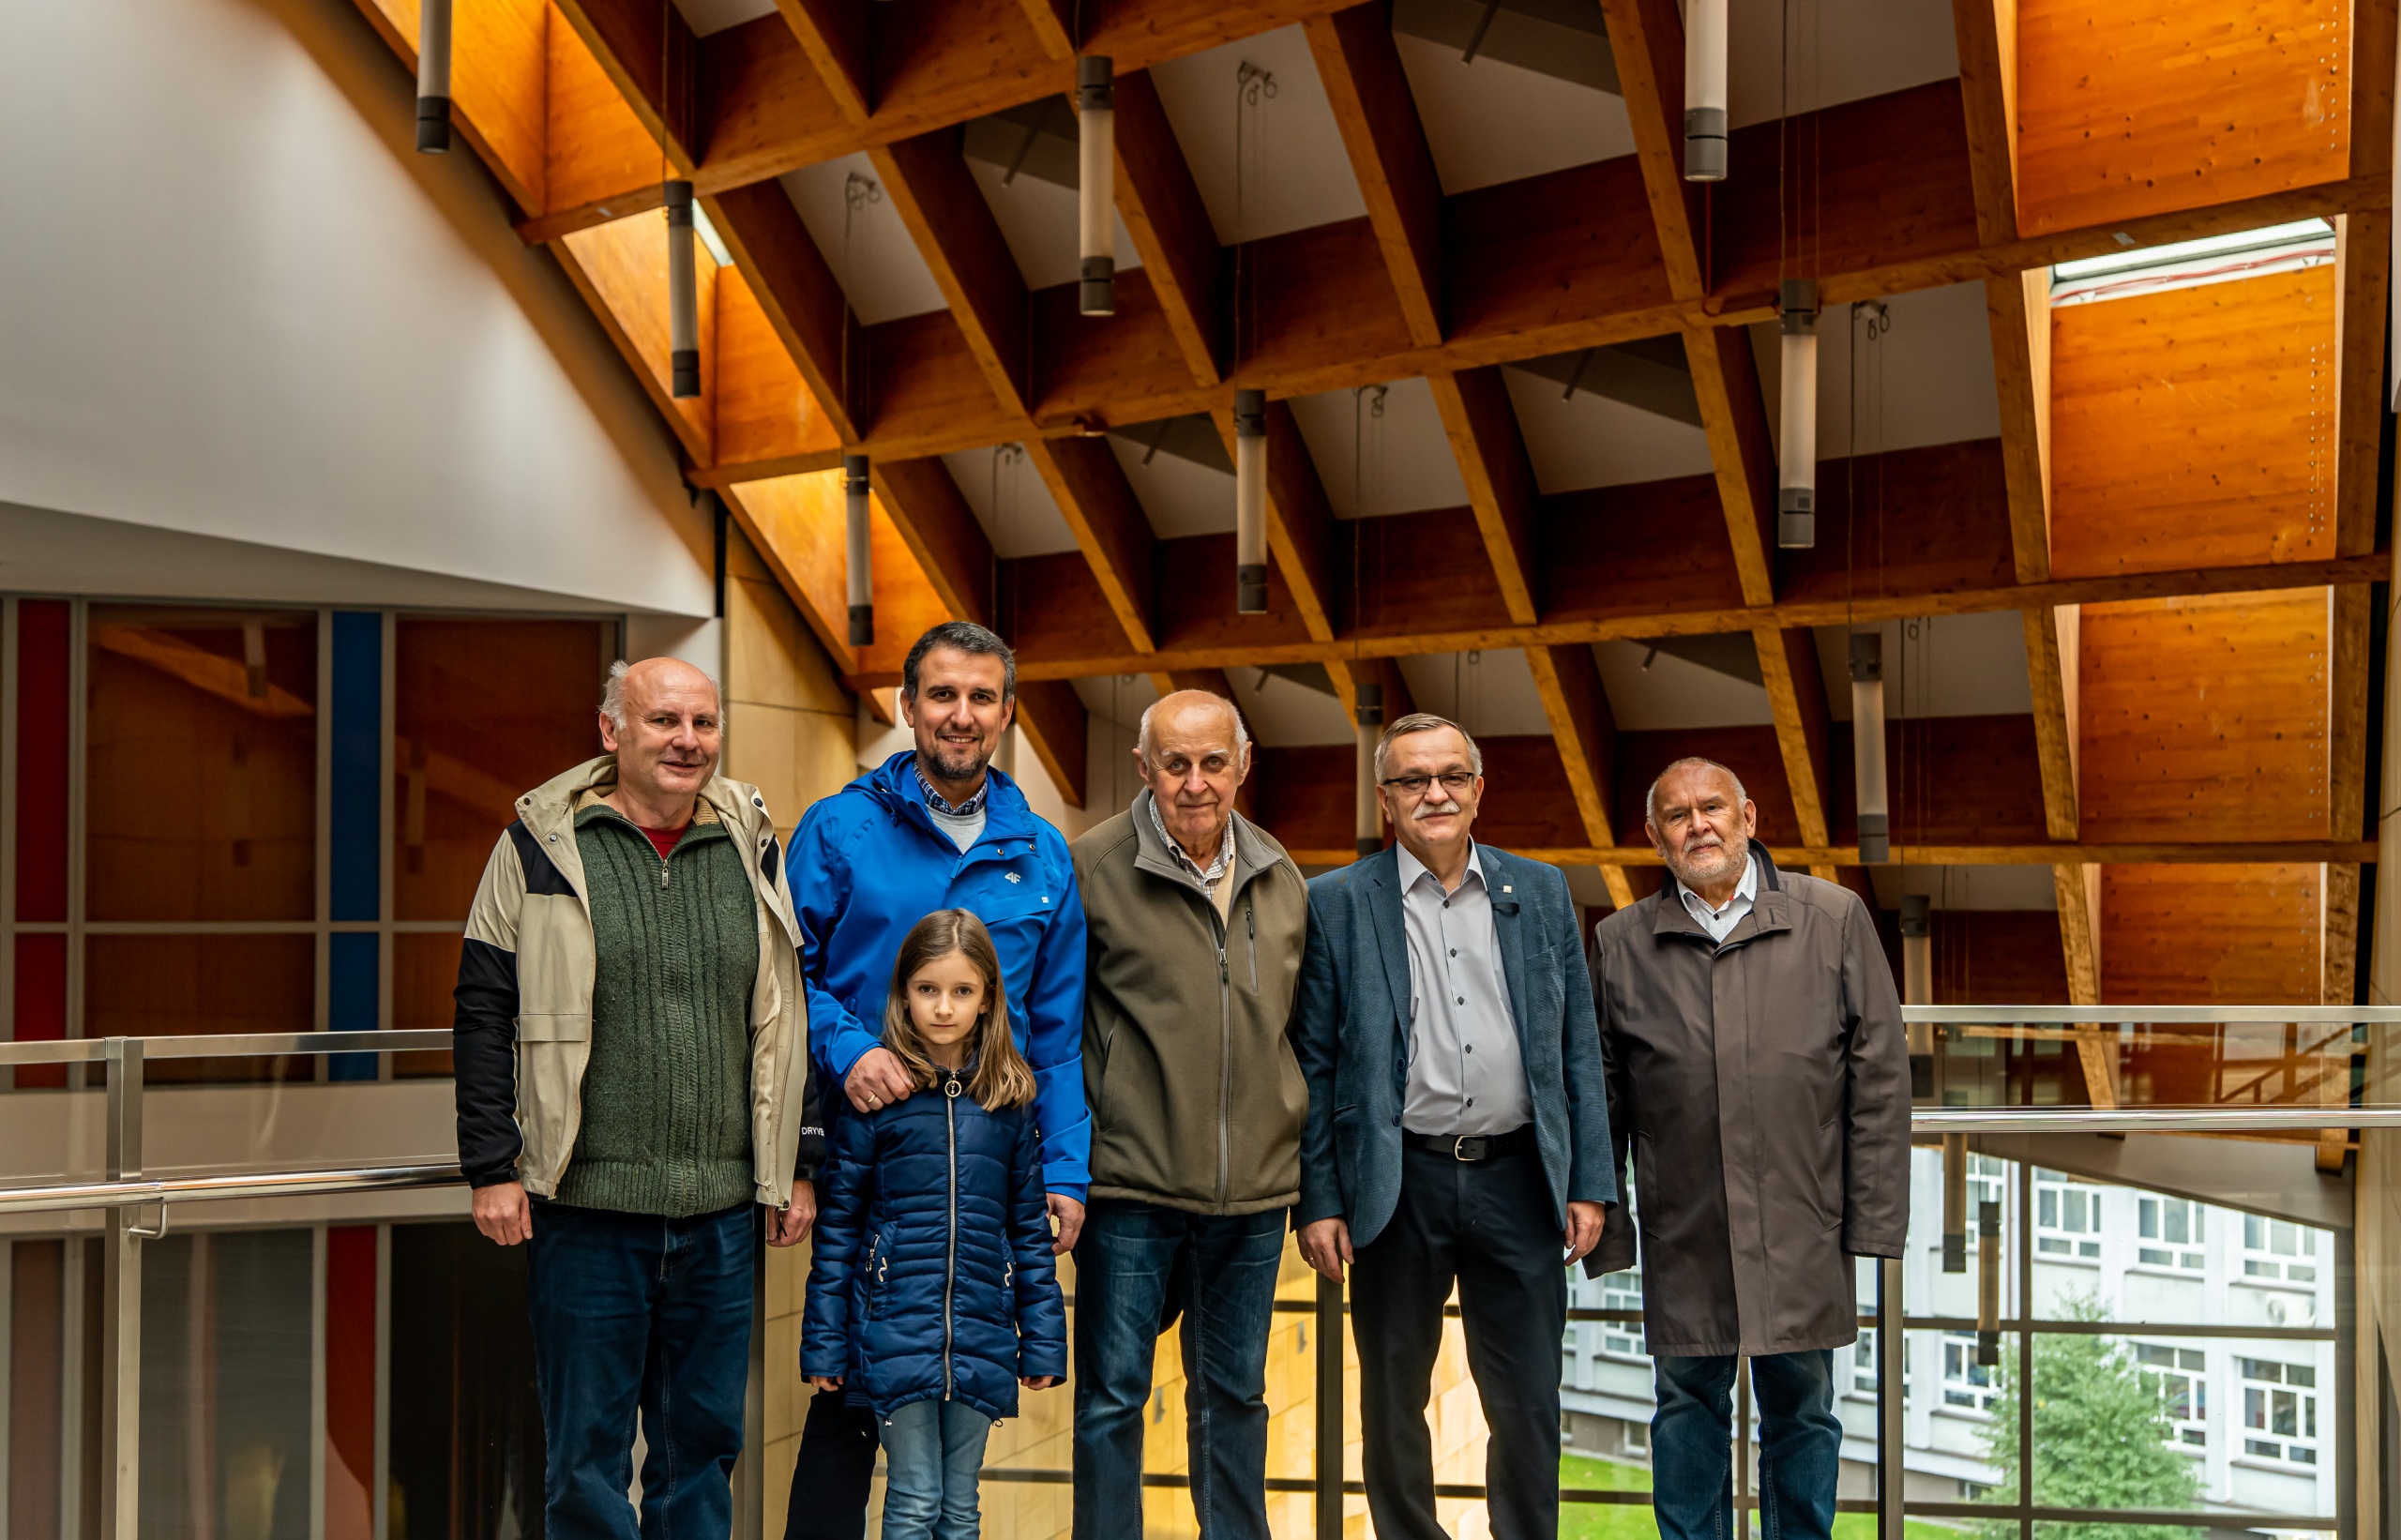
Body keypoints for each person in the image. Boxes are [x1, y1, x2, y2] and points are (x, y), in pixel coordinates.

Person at [451, 656, 823, 1540]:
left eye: (703, 722)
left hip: (722, 1216)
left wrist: (796, 1163)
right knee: (587, 1463)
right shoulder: (537, 846)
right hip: (586, 1212)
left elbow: (787, 1010)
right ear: (612, 730)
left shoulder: (750, 840)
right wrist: (491, 1165)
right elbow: (482, 1009)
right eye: (664, 721)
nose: (687, 741)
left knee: (702, 1454)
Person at [784, 621, 1089, 1540]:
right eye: (943, 694)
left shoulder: (1042, 853)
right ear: (906, 705)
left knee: (953, 1403)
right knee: (847, 1394)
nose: (962, 715)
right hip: (864, 1151)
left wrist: (1065, 1171)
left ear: (1007, 712)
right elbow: (780, 978)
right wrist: (849, 1048)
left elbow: (1057, 1035)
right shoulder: (838, 828)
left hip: (986, 1165)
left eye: (982, 697)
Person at [1292, 711, 1611, 1540]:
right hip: (1399, 1181)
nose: (1434, 793)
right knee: (1392, 1398)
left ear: (1478, 789)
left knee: (1528, 1400)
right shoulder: (1334, 902)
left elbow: (1578, 1044)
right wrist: (1319, 1199)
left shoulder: (1541, 889)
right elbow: (1313, 1064)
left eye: (1451, 777)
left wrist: (1589, 1181)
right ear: (1385, 799)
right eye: (1412, 779)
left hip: (1520, 1179)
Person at [1588, 757, 1910, 1540]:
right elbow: (1601, 1097)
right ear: (1654, 837)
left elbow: (1879, 1077)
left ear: (1749, 817)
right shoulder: (1620, 943)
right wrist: (1612, 1229)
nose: (1698, 825)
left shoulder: (1833, 918)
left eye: (1713, 808)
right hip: (1685, 1227)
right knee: (1685, 1410)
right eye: (1677, 815)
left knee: (1803, 1412)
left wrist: (1871, 1225)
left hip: (1803, 1225)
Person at [1068, 690, 1309, 1540]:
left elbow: (1304, 1032)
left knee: (1235, 1397)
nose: (1195, 782)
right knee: (1112, 1400)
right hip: (1129, 1187)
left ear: (1242, 765)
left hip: (1253, 1195)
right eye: (1176, 763)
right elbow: (1056, 1027)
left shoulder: (1281, 875)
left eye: (1213, 762)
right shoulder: (1092, 867)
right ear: (1145, 768)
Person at [802, 909, 1067, 1540]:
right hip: (893, 1333)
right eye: (927, 989)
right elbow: (838, 1232)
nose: (944, 1008)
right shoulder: (877, 1101)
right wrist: (825, 1344)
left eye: (961, 991)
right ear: (903, 994)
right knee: (915, 1499)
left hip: (983, 1333)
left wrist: (1044, 1341)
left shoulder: (1009, 1101)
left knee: (960, 1507)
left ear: (988, 999)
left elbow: (1029, 1234)